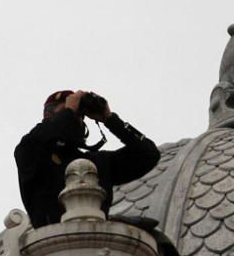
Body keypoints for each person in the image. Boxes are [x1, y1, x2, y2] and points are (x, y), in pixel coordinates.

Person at [14, 89, 160, 228]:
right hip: (52, 241)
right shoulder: (31, 151)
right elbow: (40, 138)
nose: (77, 119)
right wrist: (70, 110)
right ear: (48, 116)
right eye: (68, 111)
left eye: (80, 115)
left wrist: (110, 119)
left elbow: (148, 154)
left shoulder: (97, 163)